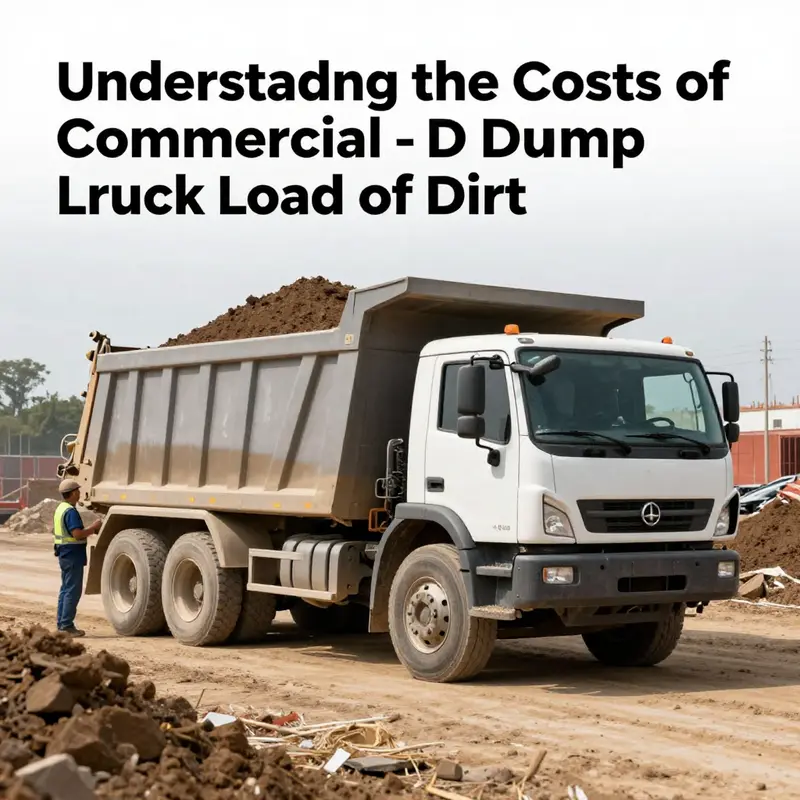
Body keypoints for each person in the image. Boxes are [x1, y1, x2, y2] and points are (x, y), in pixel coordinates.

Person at [53, 478, 102, 637]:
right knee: (72, 591)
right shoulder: (71, 512)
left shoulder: (61, 508)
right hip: (72, 554)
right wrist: (93, 528)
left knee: (65, 590)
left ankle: (62, 624)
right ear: (73, 493)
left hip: (64, 554)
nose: (80, 493)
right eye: (78, 491)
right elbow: (77, 534)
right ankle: (67, 626)